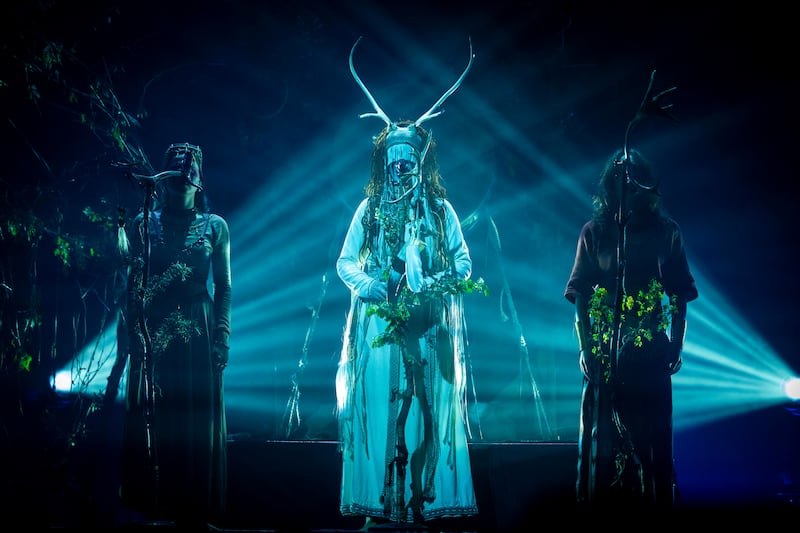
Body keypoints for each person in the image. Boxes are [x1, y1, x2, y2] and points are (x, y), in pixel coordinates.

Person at [335, 37, 479, 529]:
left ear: (419, 163)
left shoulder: (441, 211)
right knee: (386, 410)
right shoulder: (370, 210)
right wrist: (379, 287)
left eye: (408, 163)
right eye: (394, 163)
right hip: (381, 332)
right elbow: (345, 263)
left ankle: (420, 499)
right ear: (385, 164)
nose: (401, 172)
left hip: (430, 326)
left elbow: (463, 264)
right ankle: (385, 501)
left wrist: (431, 286)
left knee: (426, 411)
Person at [564, 147, 698, 509]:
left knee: (652, 444)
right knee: (602, 444)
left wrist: (676, 342)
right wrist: (586, 348)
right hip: (604, 353)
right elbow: (579, 294)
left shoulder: (666, 232)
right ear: (610, 183)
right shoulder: (594, 232)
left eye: (632, 176)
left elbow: (680, 291)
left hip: (650, 352)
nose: (626, 183)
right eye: (619, 176)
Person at [118, 142, 231, 528]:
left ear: (199, 182)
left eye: (188, 176)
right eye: (173, 177)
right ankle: (154, 505)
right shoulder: (141, 224)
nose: (181, 182)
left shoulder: (216, 228)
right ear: (161, 181)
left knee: (195, 418)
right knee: (157, 415)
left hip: (197, 331)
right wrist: (135, 333)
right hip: (155, 331)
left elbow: (225, 286)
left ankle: (195, 508)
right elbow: (134, 283)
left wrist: (222, 335)